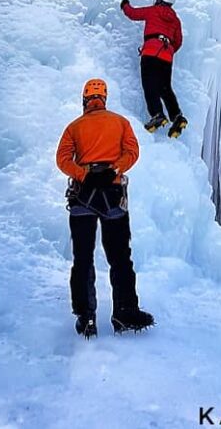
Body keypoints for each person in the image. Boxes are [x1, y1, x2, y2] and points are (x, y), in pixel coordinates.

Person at [55, 77, 154, 338]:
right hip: (112, 195)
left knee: (83, 258)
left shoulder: (74, 127)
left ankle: (86, 317)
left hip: (83, 196)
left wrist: (84, 174)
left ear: (85, 100)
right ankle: (124, 312)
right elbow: (132, 152)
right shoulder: (120, 122)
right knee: (120, 257)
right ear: (104, 99)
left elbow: (62, 159)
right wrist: (114, 169)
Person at [120, 0, 188, 138]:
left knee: (149, 84)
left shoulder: (153, 10)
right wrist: (169, 51)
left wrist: (125, 4)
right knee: (165, 88)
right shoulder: (176, 20)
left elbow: (133, 13)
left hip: (151, 52)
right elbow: (178, 41)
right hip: (167, 56)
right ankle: (177, 117)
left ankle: (157, 114)